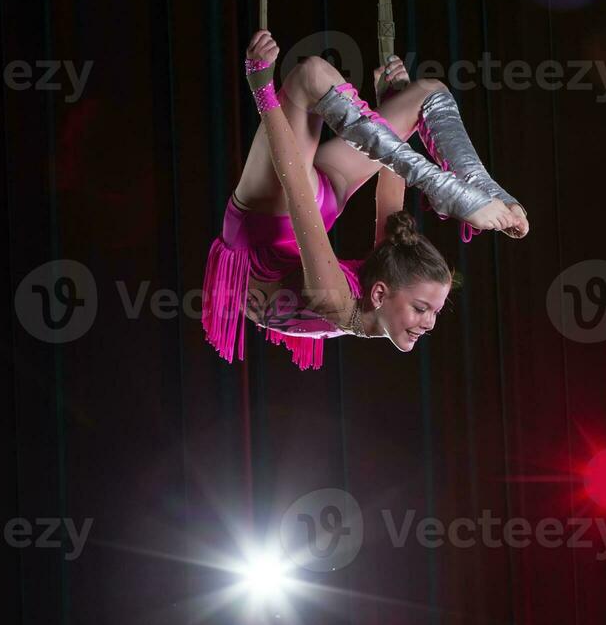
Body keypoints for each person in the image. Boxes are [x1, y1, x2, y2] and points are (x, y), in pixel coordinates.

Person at [202, 30, 529, 370]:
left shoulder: (336, 304)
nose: (430, 323)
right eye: (428, 309)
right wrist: (388, 107)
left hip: (263, 225)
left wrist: (262, 90)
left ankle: (448, 189)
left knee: (309, 77)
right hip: (307, 205)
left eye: (423, 308)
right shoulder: (383, 282)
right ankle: (479, 186)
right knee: (427, 94)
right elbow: (390, 195)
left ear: (379, 295)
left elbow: (296, 186)